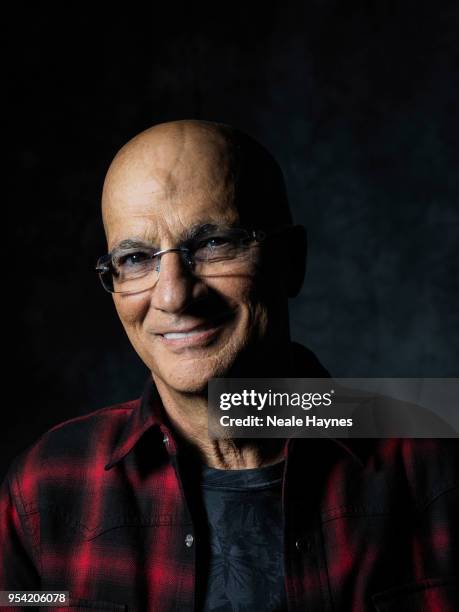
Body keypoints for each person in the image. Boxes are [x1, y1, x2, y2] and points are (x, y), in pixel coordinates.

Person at [1, 120, 457, 611]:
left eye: (214, 244)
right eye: (135, 258)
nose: (174, 295)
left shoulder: (435, 471)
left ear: (290, 261)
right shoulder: (45, 489)